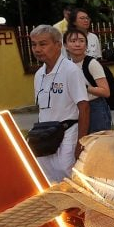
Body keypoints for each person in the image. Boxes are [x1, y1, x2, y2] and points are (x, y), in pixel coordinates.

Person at [31, 25, 89, 182]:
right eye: (34, 44)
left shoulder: (71, 71)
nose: (37, 49)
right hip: (44, 136)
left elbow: (84, 107)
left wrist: (80, 143)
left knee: (69, 174)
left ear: (58, 45)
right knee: (47, 177)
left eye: (43, 44)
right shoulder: (38, 75)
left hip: (67, 132)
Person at [65, 28, 111, 134]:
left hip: (95, 107)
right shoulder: (67, 65)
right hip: (75, 108)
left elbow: (105, 92)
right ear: (65, 45)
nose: (78, 44)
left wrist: (85, 88)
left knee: (98, 143)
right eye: (73, 41)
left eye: (81, 41)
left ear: (86, 45)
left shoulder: (92, 63)